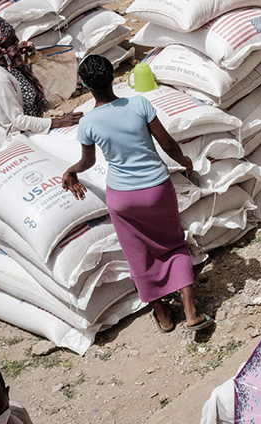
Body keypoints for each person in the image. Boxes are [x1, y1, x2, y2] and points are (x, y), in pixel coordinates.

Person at [62, 54, 209, 333]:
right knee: (174, 244)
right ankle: (190, 311)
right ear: (112, 75)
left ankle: (163, 315)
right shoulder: (139, 103)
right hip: (156, 189)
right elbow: (166, 142)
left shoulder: (88, 123)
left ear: (84, 84)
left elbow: (88, 162)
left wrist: (72, 171)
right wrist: (184, 161)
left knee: (138, 254)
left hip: (122, 197)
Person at [0, 17, 80, 149]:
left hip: (30, 128)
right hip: (18, 140)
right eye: (11, 40)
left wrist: (15, 52)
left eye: (14, 35)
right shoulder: (0, 79)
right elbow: (19, 121)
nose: (16, 41)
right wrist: (58, 122)